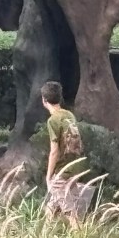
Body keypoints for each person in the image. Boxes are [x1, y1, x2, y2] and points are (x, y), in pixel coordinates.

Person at [41, 81, 94, 228]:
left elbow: (54, 151)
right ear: (60, 98)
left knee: (70, 213)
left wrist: (49, 176)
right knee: (51, 207)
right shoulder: (69, 115)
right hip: (75, 167)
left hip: (62, 171)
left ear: (44, 100)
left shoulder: (53, 120)